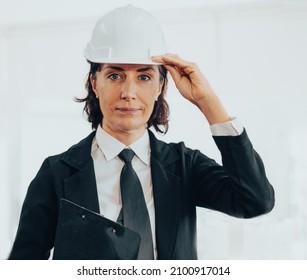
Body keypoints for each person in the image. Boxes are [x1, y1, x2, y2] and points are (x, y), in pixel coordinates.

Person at [8, 5, 274, 260]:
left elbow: (255, 201)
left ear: (160, 87)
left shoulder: (184, 167)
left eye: (144, 77)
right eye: (115, 75)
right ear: (94, 83)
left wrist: (208, 102)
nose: (129, 93)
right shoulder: (56, 173)